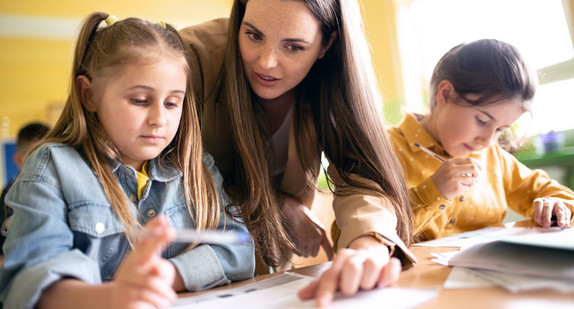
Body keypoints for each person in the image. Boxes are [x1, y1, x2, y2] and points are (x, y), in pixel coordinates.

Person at [0, 12, 254, 309]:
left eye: (172, 103)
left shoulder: (196, 168)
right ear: (89, 94)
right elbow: (27, 285)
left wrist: (169, 274)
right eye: (140, 100)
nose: (160, 119)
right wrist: (114, 296)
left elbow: (239, 251)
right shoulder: (51, 168)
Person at [180, 0, 415, 306]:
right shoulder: (189, 56)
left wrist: (368, 244)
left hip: (272, 283)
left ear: (327, 44)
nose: (266, 62)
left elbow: (362, 177)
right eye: (253, 35)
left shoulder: (335, 77)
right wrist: (277, 206)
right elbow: (166, 178)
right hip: (182, 279)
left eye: (293, 47)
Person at [388, 39, 574, 243]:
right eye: (482, 121)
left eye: (501, 130)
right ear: (446, 94)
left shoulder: (493, 157)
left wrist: (555, 204)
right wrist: (433, 191)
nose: (487, 141)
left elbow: (549, 191)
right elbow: (371, 230)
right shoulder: (384, 148)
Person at [1, 122, 51, 254]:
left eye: (50, 158)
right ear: (18, 160)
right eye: (35, 159)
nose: (44, 166)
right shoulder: (8, 196)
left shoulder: (61, 190)